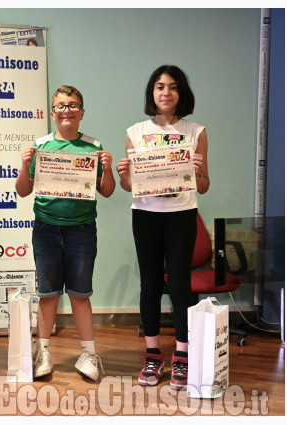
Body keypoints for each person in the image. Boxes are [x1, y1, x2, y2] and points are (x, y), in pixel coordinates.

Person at [116, 65, 209, 390]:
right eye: (159, 86)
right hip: (146, 215)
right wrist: (124, 173)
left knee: (181, 286)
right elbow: (129, 186)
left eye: (171, 87)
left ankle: (182, 355)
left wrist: (198, 172)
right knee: (150, 285)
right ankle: (153, 355)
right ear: (151, 93)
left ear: (181, 92)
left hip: (182, 214)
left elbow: (205, 185)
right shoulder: (135, 131)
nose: (165, 92)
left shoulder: (196, 131)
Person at [15, 85, 115, 382]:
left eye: (73, 105)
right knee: (48, 293)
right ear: (52, 112)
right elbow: (22, 190)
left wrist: (107, 169)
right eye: (61, 105)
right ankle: (42, 352)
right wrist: (24, 164)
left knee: (80, 294)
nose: (67, 110)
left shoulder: (93, 147)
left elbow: (106, 191)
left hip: (82, 231)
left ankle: (88, 353)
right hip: (46, 228)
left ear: (82, 112)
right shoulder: (40, 146)